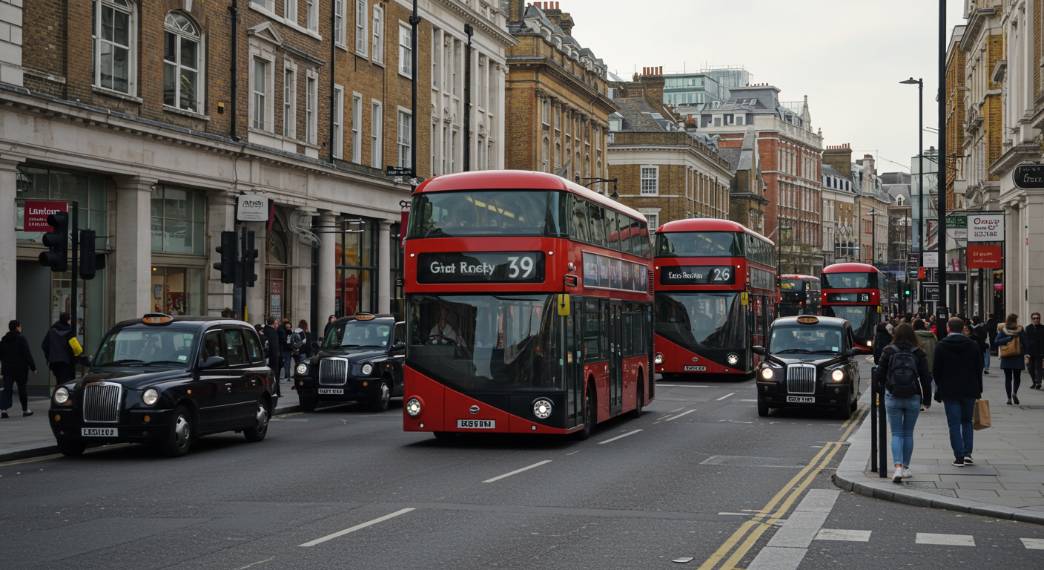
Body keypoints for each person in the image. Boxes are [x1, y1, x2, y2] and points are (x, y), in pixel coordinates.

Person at [875, 323, 932, 482]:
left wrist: (883, 389)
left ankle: (897, 467)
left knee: (896, 433)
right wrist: (927, 400)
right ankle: (906, 467)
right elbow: (926, 378)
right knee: (908, 433)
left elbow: (879, 375)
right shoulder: (918, 352)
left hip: (892, 396)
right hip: (913, 397)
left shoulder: (888, 350)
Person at [933, 317, 984, 467]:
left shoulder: (941, 346)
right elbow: (978, 368)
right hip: (969, 389)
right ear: (963, 328)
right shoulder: (973, 345)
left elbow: (936, 370)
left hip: (950, 390)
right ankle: (968, 453)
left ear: (948, 328)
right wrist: (978, 388)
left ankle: (959, 456)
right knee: (967, 421)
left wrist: (940, 386)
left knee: (954, 423)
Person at [0, 320, 37, 418]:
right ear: (17, 327)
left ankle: (4, 410)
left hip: (7, 369)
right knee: (22, 389)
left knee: (7, 389)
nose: (21, 328)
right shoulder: (21, 338)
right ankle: (25, 410)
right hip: (20, 369)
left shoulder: (4, 339)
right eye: (20, 326)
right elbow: (27, 354)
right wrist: (33, 367)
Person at [995, 313, 1026, 405]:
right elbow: (1025, 342)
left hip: (1006, 356)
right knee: (1017, 377)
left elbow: (996, 342)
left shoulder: (1003, 330)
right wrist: (1027, 353)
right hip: (1017, 356)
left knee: (1008, 378)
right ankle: (1014, 393)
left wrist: (1007, 339)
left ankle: (1009, 398)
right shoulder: (1020, 330)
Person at [42, 312, 76, 387]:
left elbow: (44, 345)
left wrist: (49, 357)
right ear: (68, 320)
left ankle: (58, 394)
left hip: (54, 361)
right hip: (66, 362)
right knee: (65, 382)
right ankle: (61, 396)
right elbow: (75, 347)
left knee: (59, 379)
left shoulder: (51, 331)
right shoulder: (69, 332)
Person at [263, 318, 282, 397]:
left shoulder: (265, 330)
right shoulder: (273, 332)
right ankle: (275, 392)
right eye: (276, 323)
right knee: (274, 376)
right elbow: (274, 347)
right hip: (273, 359)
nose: (277, 325)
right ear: (273, 324)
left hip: (267, 358)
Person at [1025, 312, 1043, 390]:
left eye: (1037, 318)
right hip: (1030, 352)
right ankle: (1034, 382)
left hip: (1040, 352)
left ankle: (1038, 383)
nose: (1036, 320)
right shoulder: (1028, 328)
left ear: (1040, 319)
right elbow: (1025, 341)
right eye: (1034, 318)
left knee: (1038, 368)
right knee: (1030, 368)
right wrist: (1026, 352)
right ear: (1032, 319)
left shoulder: (1043, 328)